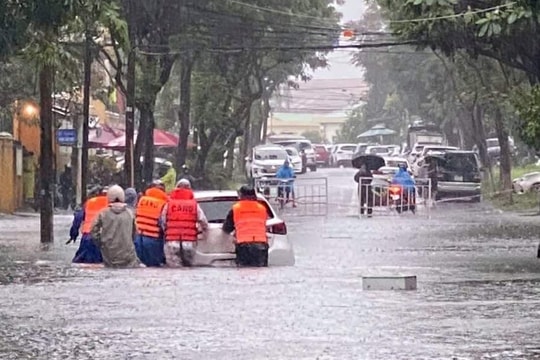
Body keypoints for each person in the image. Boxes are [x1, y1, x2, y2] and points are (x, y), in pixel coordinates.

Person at [161, 179, 208, 267]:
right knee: (188, 270)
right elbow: (203, 221)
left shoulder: (169, 204)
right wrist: (203, 233)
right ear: (189, 189)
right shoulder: (194, 205)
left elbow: (163, 221)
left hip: (172, 242)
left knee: (174, 270)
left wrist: (167, 232)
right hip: (189, 242)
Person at [90, 185, 141, 268]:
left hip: (109, 255)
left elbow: (93, 230)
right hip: (128, 256)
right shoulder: (130, 214)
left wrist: (101, 243)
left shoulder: (103, 213)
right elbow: (135, 233)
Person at [222, 185, 269, 267]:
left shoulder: (236, 209)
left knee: (244, 272)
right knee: (261, 272)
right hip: (261, 245)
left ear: (241, 195)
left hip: (244, 246)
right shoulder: (262, 208)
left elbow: (226, 228)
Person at [68, 187, 109, 264]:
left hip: (87, 237)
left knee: (80, 262)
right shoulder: (112, 204)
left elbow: (78, 218)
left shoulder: (89, 203)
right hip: (105, 239)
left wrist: (73, 234)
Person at [134, 184, 168, 267]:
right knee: (153, 268)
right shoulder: (163, 203)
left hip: (138, 237)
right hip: (153, 239)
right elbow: (164, 222)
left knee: (140, 266)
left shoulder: (142, 200)